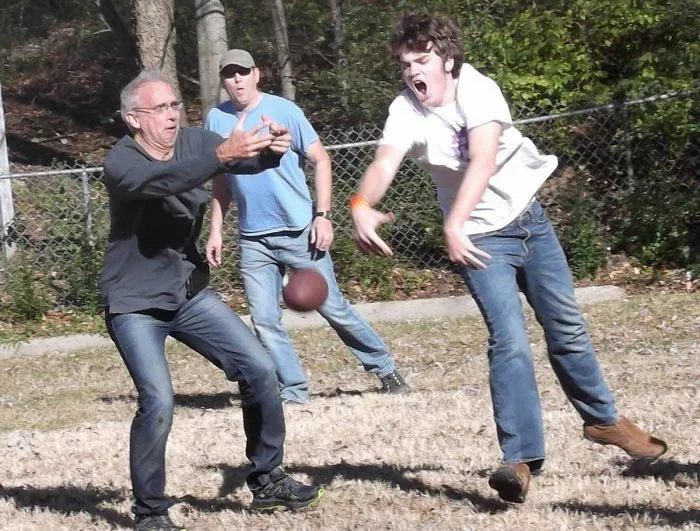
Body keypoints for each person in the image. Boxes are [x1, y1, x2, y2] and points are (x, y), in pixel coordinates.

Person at [350, 12, 668, 504]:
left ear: (447, 60)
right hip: (481, 241)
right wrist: (361, 204)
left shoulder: (478, 88)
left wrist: (451, 223)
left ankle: (603, 421)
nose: (413, 71)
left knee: (566, 328)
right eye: (405, 63)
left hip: (528, 221)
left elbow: (483, 158)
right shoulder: (405, 110)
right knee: (509, 340)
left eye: (422, 61)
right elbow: (383, 162)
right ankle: (519, 461)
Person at [102, 70, 324, 530]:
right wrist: (220, 156)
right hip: (134, 303)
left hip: (187, 293)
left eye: (174, 105)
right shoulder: (121, 160)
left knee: (260, 369)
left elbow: (242, 163)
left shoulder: (196, 142)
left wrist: (271, 150)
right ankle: (149, 513)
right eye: (159, 108)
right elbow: (158, 182)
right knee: (158, 401)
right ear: (133, 119)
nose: (171, 115)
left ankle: (267, 479)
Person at [204, 49, 410, 404]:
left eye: (243, 72)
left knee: (334, 308)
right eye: (229, 74)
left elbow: (321, 159)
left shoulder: (284, 110)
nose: (236, 79)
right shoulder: (215, 119)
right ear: (223, 80)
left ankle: (384, 367)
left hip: (299, 231)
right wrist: (216, 230)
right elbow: (221, 180)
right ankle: (294, 391)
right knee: (264, 320)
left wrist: (322, 215)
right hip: (253, 239)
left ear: (256, 74)